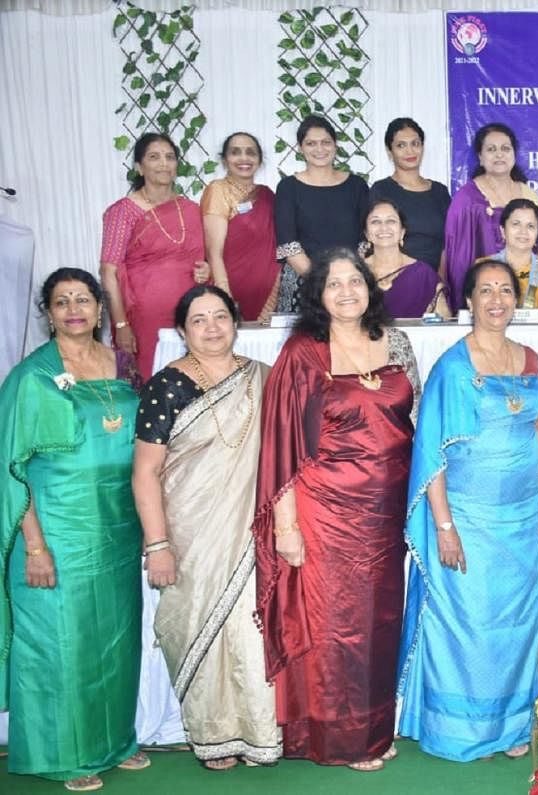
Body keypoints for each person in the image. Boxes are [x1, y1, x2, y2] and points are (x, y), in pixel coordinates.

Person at [254, 248, 420, 770]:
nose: (347, 291)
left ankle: (372, 729)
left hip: (386, 513)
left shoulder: (393, 342)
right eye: (334, 284)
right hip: (324, 511)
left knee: (378, 621)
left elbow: (410, 418)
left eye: (356, 281)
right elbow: (280, 441)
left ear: (370, 287)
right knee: (334, 625)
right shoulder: (303, 352)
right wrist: (286, 525)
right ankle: (336, 739)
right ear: (318, 296)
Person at [399, 259, 538, 761]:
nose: (496, 300)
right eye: (485, 291)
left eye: (506, 290)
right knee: (469, 621)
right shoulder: (453, 365)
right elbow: (432, 453)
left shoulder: (530, 358)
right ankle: (466, 731)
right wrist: (443, 527)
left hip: (520, 518)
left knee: (515, 622)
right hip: (466, 518)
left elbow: (534, 430)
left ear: (518, 298)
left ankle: (511, 725)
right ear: (468, 301)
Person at [0, 269, 148, 792]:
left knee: (113, 642)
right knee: (62, 645)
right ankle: (63, 754)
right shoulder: (31, 377)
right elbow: (11, 469)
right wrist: (33, 545)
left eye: (82, 299)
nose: (73, 309)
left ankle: (115, 742)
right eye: (61, 302)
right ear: (49, 313)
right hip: (56, 533)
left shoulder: (122, 365)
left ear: (100, 309)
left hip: (117, 528)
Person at [131, 286, 281, 770]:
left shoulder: (262, 378)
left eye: (221, 316)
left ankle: (259, 732)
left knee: (249, 630)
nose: (212, 327)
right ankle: (213, 734)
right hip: (190, 529)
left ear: (236, 323)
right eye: (199, 320)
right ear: (182, 331)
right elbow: (145, 472)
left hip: (250, 530)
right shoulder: (166, 385)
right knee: (202, 624)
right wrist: (158, 545)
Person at [101, 132, 209, 379]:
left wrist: (206, 270)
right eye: (154, 157)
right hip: (145, 319)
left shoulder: (191, 209)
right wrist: (120, 325)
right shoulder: (123, 212)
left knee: (195, 380)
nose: (163, 163)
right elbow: (109, 272)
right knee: (151, 382)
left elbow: (201, 260)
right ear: (139, 167)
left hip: (192, 312)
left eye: (169, 157)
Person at [274, 115, 370, 313]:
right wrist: (321, 282)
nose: (319, 149)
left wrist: (344, 281)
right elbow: (289, 245)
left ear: (335, 145)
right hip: (303, 285)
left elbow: (365, 240)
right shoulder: (288, 188)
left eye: (326, 142)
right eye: (311, 143)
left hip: (349, 288)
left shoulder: (356, 186)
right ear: (300, 148)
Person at [443, 123, 538, 310]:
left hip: (526, 292)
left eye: (505, 148)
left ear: (514, 155)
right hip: (483, 295)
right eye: (491, 149)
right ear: (480, 157)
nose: (499, 154)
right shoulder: (466, 199)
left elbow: (537, 248)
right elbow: (457, 258)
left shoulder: (529, 195)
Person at [201, 132, 279, 323]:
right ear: (225, 160)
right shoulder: (217, 190)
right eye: (236, 152)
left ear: (259, 160)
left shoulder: (267, 195)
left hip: (270, 294)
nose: (244, 158)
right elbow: (213, 253)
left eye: (251, 153)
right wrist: (226, 299)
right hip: (228, 289)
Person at [370, 117, 452, 271]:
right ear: (390, 151)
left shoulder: (439, 192)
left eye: (415, 143)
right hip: (394, 278)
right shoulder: (382, 190)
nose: (410, 151)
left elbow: (447, 245)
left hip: (434, 281)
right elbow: (375, 242)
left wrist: (440, 285)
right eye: (401, 145)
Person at [362, 197, 450, 318]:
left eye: (391, 221)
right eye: (375, 222)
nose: (384, 227)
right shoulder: (355, 272)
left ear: (402, 232)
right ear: (367, 234)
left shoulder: (424, 275)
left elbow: (443, 325)